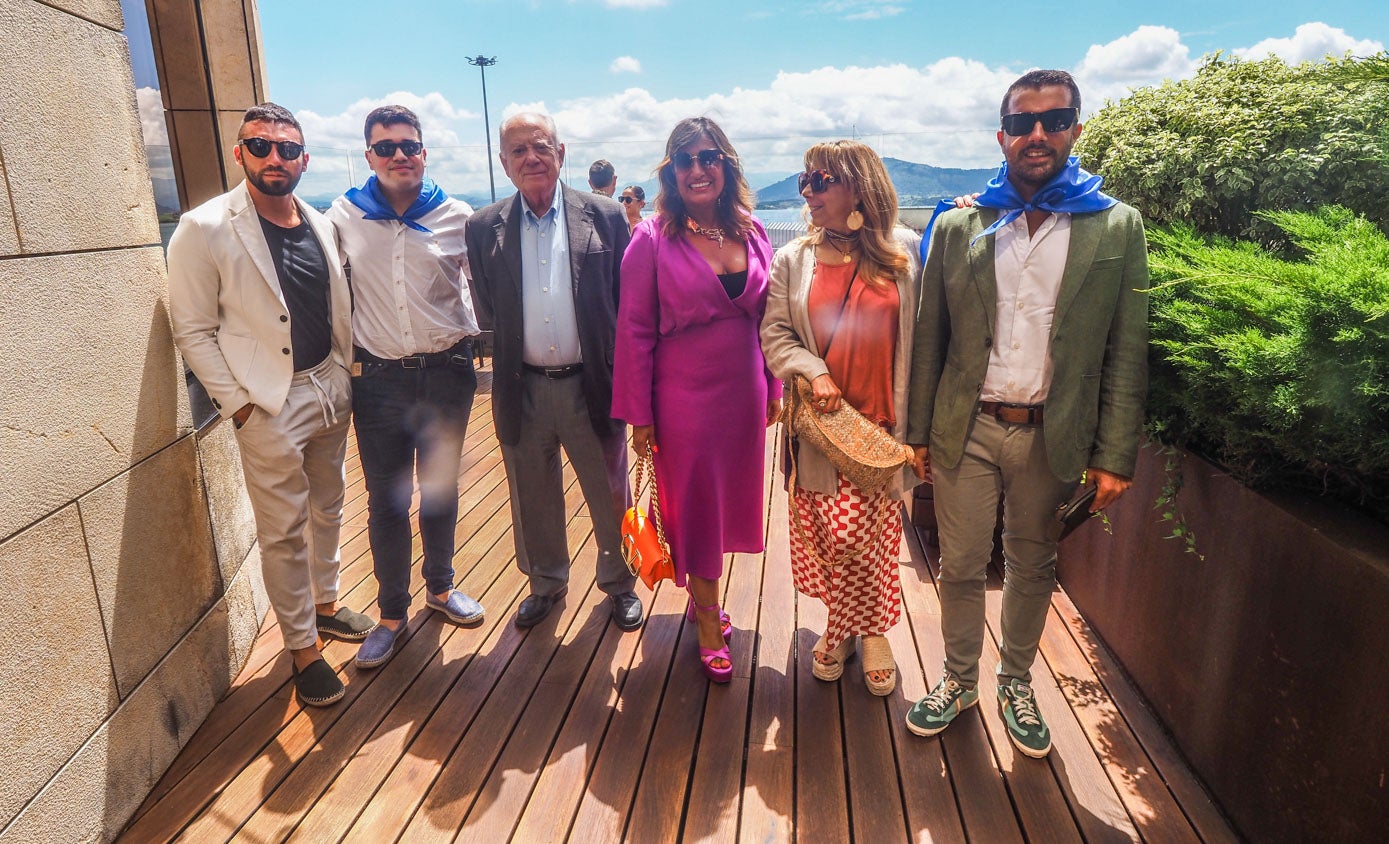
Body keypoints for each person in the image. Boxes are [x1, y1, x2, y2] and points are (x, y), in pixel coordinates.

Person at [904, 69, 1149, 757]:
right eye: (1021, 122)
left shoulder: (1115, 227)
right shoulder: (958, 224)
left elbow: (1126, 348)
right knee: (956, 565)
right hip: (967, 427)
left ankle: (1014, 681)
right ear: (1001, 135)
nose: (1035, 134)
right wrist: (916, 434)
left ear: (1074, 128)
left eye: (1052, 119)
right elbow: (931, 340)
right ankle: (956, 680)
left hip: (1053, 434)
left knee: (1031, 564)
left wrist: (1114, 453)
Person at [167, 103, 372, 707]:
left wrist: (341, 373)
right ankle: (302, 649)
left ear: (304, 158)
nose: (274, 158)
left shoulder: (320, 221)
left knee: (330, 505)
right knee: (283, 529)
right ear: (240, 154)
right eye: (260, 147)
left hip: (328, 385)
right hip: (268, 404)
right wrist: (239, 406)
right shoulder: (203, 228)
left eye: (287, 148)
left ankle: (326, 605)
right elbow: (194, 330)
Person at [613, 117, 781, 684]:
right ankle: (708, 618)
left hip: (744, 394)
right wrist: (639, 415)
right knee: (698, 510)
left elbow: (769, 319)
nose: (698, 169)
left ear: (727, 166)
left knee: (725, 503)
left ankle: (704, 597)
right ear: (671, 173)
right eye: (685, 161)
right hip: (682, 401)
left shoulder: (753, 230)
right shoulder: (652, 238)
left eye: (709, 158)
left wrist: (775, 384)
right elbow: (633, 330)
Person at [464, 113, 643, 631]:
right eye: (518, 150)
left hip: (591, 385)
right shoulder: (482, 226)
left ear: (560, 153)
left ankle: (619, 582)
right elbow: (488, 309)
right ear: (504, 163)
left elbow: (626, 304)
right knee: (531, 492)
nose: (531, 158)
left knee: (610, 492)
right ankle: (546, 582)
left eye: (540, 146)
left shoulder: (606, 216)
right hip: (521, 385)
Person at [760, 141, 923, 696]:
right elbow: (774, 333)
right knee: (829, 538)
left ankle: (855, 631)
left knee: (865, 537)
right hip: (821, 433)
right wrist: (811, 368)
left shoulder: (903, 253)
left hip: (880, 429)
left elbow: (927, 340)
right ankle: (861, 626)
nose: (807, 192)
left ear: (859, 185)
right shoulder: (792, 260)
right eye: (804, 181)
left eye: (820, 180)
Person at [326, 105, 485, 669]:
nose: (399, 155)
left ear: (424, 151)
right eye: (386, 146)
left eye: (408, 145)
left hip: (446, 374)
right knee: (387, 500)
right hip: (380, 380)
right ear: (369, 155)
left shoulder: (457, 215)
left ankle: (440, 590)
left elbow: (487, 287)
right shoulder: (343, 216)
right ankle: (391, 613)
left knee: (439, 489)